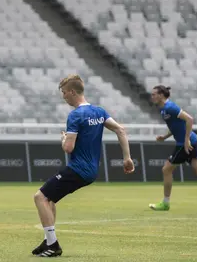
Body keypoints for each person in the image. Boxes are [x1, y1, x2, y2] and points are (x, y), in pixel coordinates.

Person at [31, 74, 135, 257]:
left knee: (39, 197)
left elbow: (69, 148)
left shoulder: (76, 115)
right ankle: (48, 241)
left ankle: (53, 245)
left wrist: (63, 139)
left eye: (64, 92)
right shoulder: (99, 112)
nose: (63, 96)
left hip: (78, 169)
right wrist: (127, 158)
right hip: (91, 171)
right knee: (49, 200)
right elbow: (120, 129)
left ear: (72, 92)